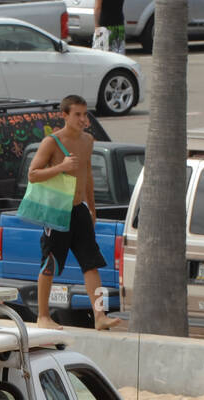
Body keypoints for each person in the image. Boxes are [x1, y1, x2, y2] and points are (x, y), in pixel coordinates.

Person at [29, 94, 125, 331]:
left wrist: (92, 207)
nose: (83, 119)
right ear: (65, 115)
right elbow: (32, 174)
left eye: (85, 114)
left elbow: (88, 174)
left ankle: (99, 315)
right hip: (57, 211)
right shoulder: (51, 142)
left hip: (79, 209)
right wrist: (61, 167)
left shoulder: (88, 141)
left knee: (91, 263)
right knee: (50, 262)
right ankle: (43, 316)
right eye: (77, 115)